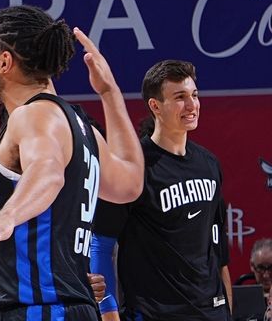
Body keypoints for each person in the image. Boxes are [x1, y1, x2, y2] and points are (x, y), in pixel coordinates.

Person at [0, 5, 145, 320]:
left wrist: (2, 221)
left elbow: (48, 173)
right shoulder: (82, 128)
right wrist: (110, 92)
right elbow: (130, 184)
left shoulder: (33, 115)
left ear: (4, 62)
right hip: (72, 309)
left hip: (38, 311)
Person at [91, 60, 232, 321]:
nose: (192, 105)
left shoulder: (209, 164)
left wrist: (226, 310)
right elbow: (100, 244)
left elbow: (217, 251)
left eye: (194, 95)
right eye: (180, 97)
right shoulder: (133, 166)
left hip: (211, 312)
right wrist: (109, 314)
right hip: (155, 313)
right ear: (155, 106)